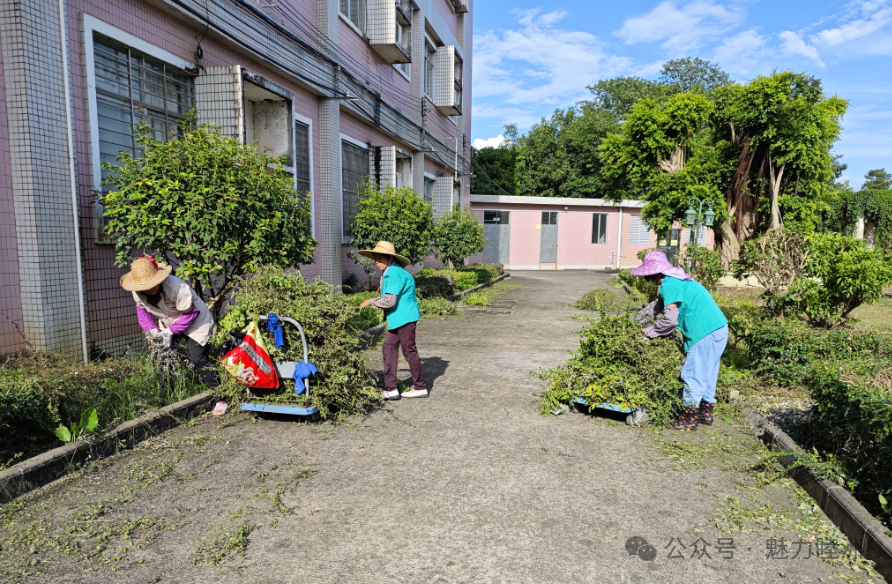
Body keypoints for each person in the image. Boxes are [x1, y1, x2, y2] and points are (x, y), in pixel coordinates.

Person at [631, 250, 728, 430]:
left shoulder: (669, 284)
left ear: (655, 274)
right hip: (718, 328)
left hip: (704, 332)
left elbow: (670, 320)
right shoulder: (676, 279)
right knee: (708, 373)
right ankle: (705, 413)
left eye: (648, 277)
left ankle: (689, 418)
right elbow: (656, 308)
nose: (649, 281)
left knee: (693, 374)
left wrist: (647, 333)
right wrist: (632, 323)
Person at [120, 256, 219, 390]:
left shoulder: (176, 287)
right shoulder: (137, 292)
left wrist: (170, 331)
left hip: (196, 321)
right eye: (144, 286)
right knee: (163, 358)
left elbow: (190, 314)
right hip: (168, 322)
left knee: (199, 359)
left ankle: (220, 394)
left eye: (151, 283)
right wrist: (152, 329)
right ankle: (169, 393)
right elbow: (142, 311)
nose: (148, 288)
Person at [358, 241, 427, 400]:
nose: (376, 261)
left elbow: (389, 302)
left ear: (389, 258)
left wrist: (369, 302)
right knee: (388, 347)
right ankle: (391, 389)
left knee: (409, 350)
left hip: (404, 318)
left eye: (379, 257)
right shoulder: (393, 271)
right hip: (398, 318)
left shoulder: (394, 273)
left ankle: (420, 386)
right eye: (375, 258)